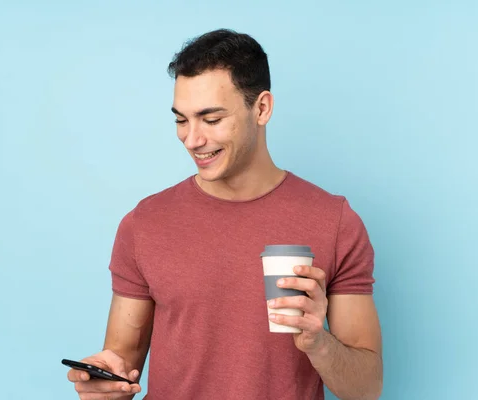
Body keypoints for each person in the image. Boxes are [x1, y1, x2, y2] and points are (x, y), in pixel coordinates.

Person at [66, 28, 383, 400]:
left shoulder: (334, 222)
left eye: (211, 119)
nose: (192, 139)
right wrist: (105, 386)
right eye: (181, 120)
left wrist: (319, 342)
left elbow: (366, 388)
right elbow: (120, 366)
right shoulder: (144, 224)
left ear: (261, 108)